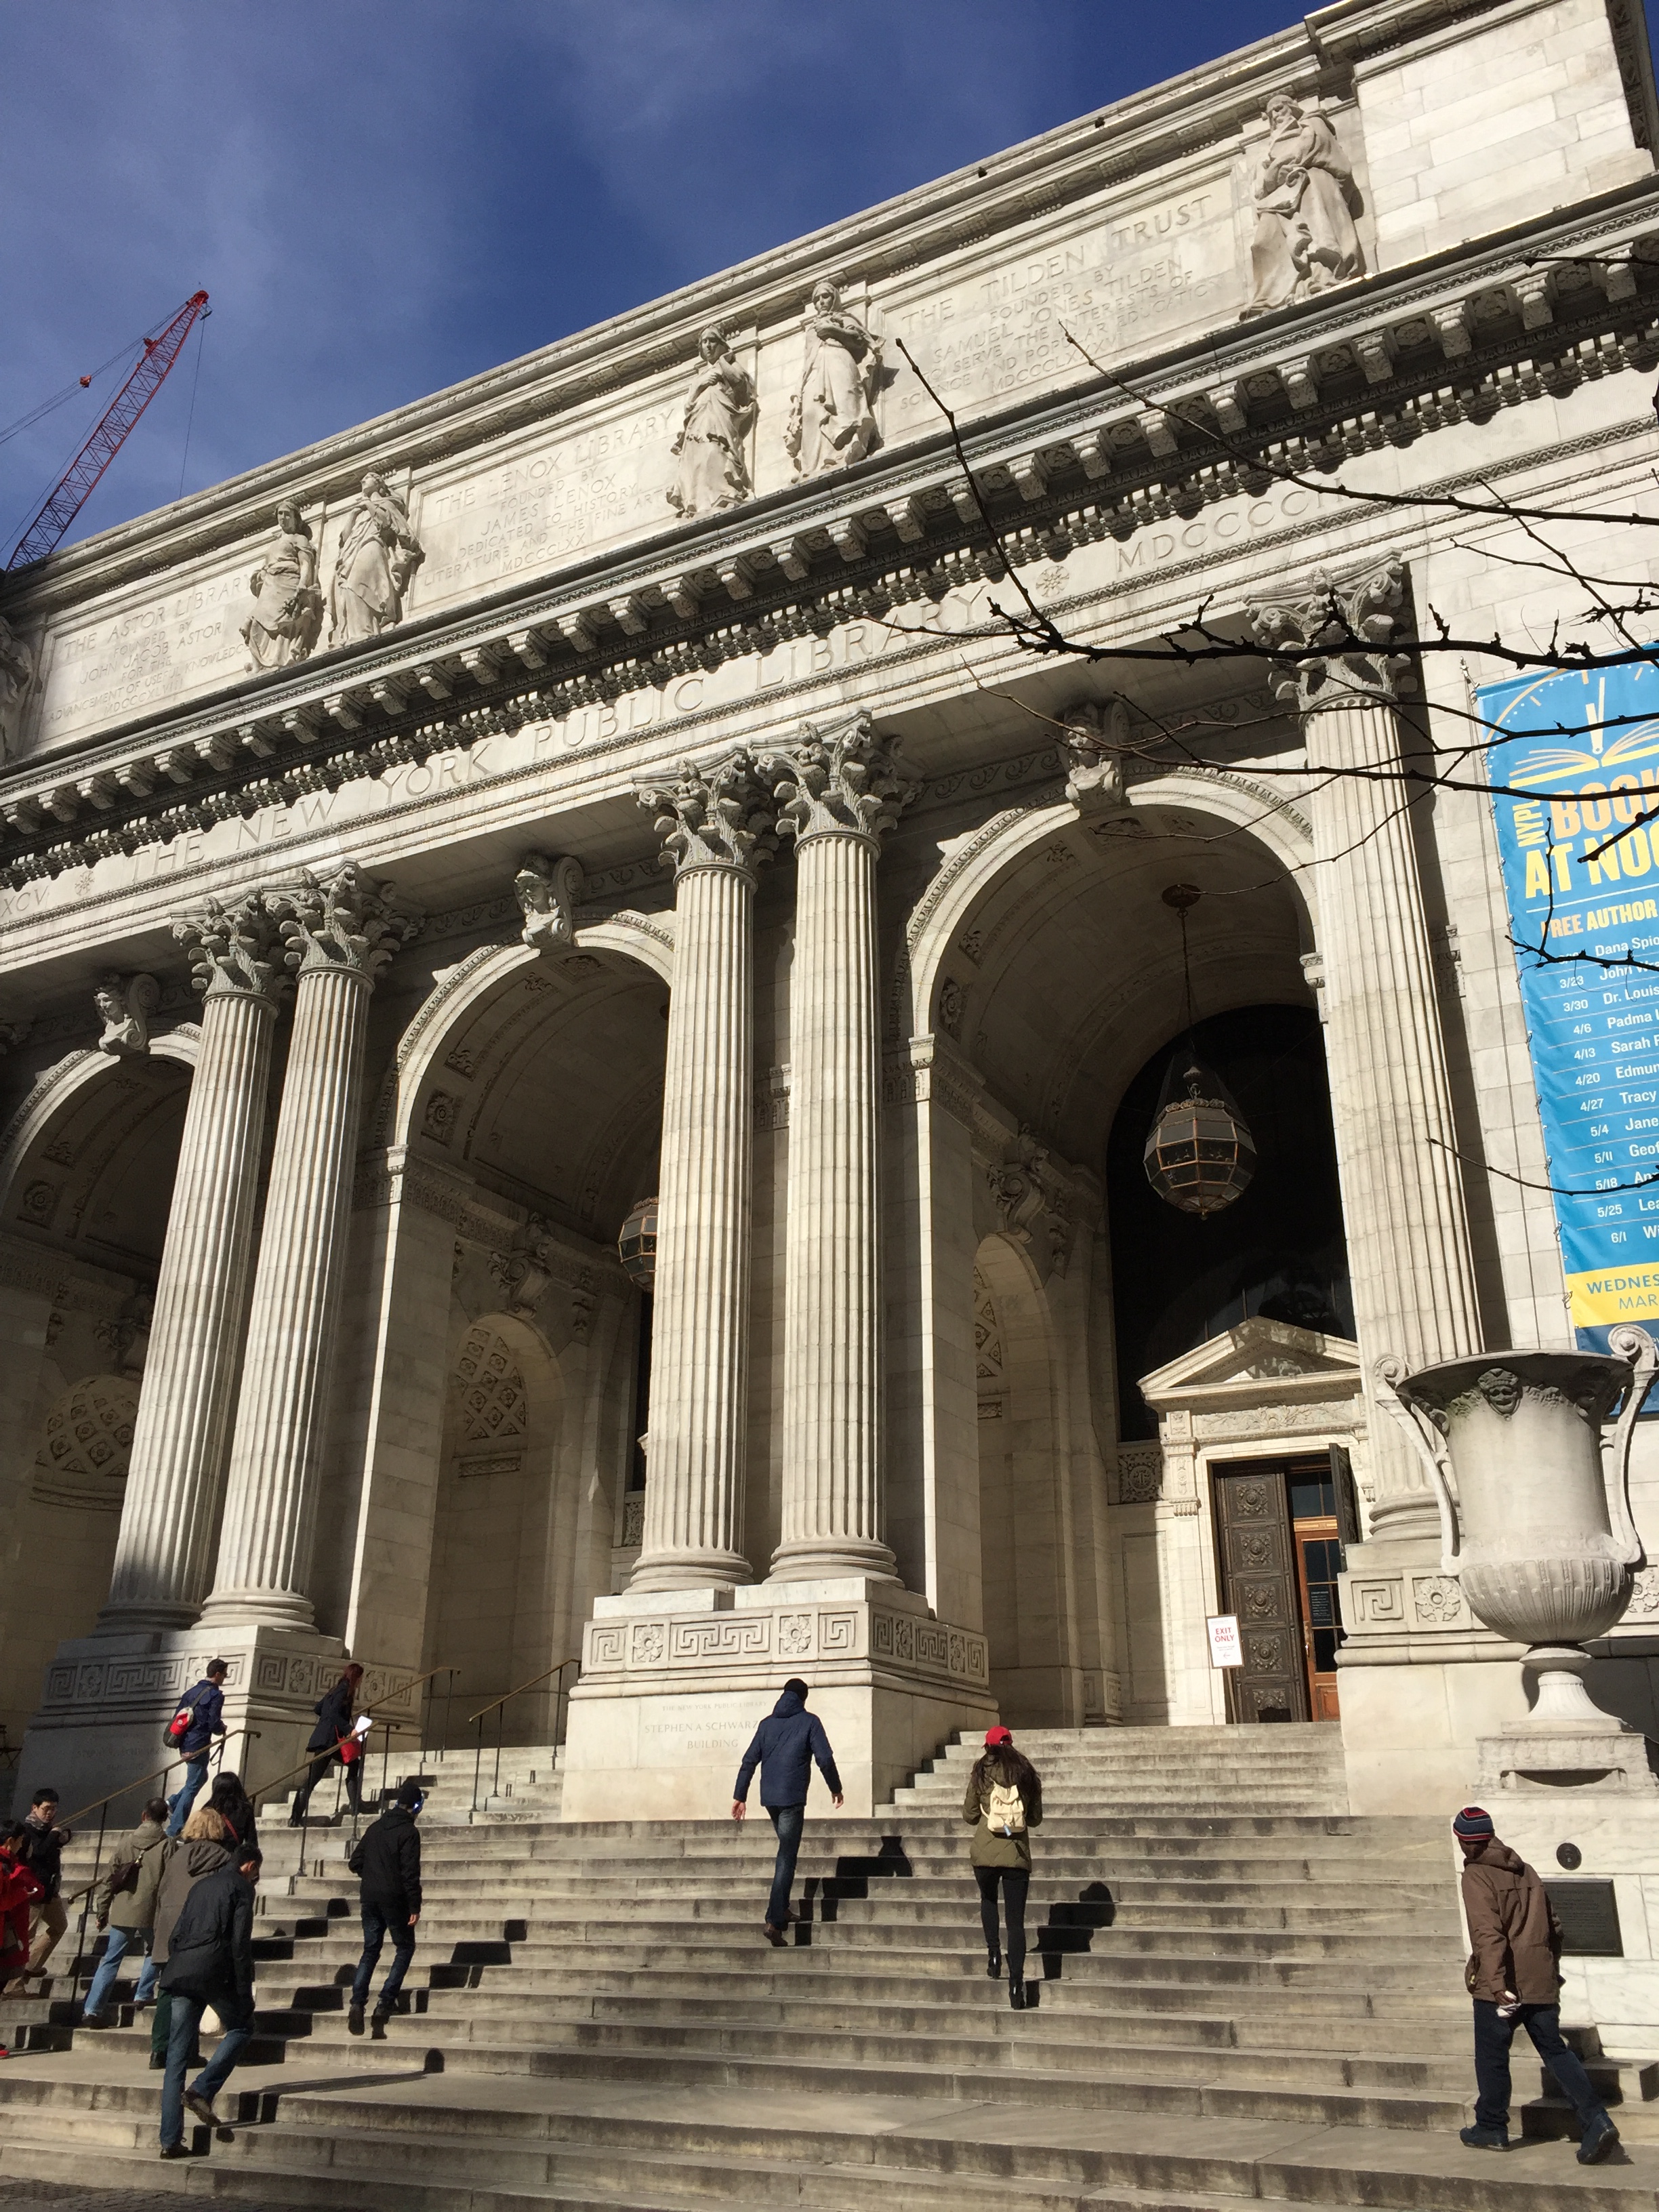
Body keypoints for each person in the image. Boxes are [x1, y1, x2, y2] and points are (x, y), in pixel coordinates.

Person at [1454, 1805, 1618, 2163]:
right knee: (1556, 2051)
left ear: (1464, 1841)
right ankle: (1596, 2120)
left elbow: (1488, 1935)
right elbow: (1555, 1926)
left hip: (1502, 1986)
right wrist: (1549, 1970)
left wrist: (1496, 1984)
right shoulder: (1525, 1869)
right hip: (1540, 1978)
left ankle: (1492, 2127)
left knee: (1492, 2057)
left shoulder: (1477, 1876)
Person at [157, 1840, 261, 2157]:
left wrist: (180, 1961)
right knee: (242, 2027)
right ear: (249, 1866)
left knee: (176, 2058)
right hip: (214, 1971)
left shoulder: (201, 1885)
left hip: (181, 1970)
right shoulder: (242, 1889)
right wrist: (243, 1991)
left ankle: (170, 2141)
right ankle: (202, 2088)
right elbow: (240, 1944)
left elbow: (176, 1934)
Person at [731, 1677, 844, 1946]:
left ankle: (781, 1909)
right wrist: (836, 1788)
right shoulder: (810, 1722)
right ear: (803, 1698)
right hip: (792, 1798)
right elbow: (825, 1758)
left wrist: (740, 1795)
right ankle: (774, 1921)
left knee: (786, 1850)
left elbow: (749, 1761)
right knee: (786, 1856)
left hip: (770, 1798)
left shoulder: (766, 1724)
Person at [962, 1725, 1044, 2010]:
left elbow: (969, 1815)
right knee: (1016, 1922)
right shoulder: (1027, 1773)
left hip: (984, 1854)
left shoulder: (980, 1772)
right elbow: (1035, 1819)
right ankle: (1016, 1985)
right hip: (1016, 1855)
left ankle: (994, 1956)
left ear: (988, 1747)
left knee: (988, 1900)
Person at [149, 1807, 230, 2076]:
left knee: (166, 1990)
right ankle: (188, 2050)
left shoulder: (177, 1856)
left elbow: (161, 1892)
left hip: (168, 1926)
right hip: (198, 1929)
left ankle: (159, 2049)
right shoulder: (223, 1857)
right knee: (195, 1992)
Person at [82, 1796, 169, 2027]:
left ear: (144, 1816)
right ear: (164, 1819)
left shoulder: (125, 1842)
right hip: (152, 1910)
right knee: (155, 1951)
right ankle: (143, 1992)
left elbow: (109, 1879)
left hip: (122, 1908)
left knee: (111, 1960)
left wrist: (102, 1910)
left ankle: (92, 2009)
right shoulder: (167, 1845)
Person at [346, 1779, 424, 2038]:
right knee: (405, 1947)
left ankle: (357, 2002)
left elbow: (355, 1862)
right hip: (395, 1898)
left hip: (369, 1897)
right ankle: (385, 2001)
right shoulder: (409, 1833)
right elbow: (410, 1873)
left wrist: (372, 1876)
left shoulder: (376, 1827)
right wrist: (414, 1905)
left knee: (371, 1949)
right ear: (415, 1807)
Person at [290, 1662, 365, 1824]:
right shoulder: (344, 1690)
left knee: (353, 1763)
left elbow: (318, 1708)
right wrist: (349, 1729)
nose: (360, 1682)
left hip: (324, 1739)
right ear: (356, 1677)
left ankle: (355, 1805)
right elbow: (333, 1714)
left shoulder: (334, 1690)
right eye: (360, 1678)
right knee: (312, 1780)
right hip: (329, 1741)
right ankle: (295, 1818)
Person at [165, 1660, 228, 1837]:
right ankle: (174, 1829)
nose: (225, 1678)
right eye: (224, 1674)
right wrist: (221, 1728)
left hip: (184, 1742)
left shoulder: (190, 1692)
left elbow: (178, 1716)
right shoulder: (215, 1695)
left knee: (200, 1778)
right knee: (193, 1785)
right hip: (199, 1744)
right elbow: (213, 1723)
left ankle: (172, 1802)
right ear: (217, 1674)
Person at [16, 1788, 72, 1982]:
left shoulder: (49, 1830)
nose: (50, 1813)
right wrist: (53, 1836)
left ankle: (32, 1965)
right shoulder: (27, 1830)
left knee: (60, 1925)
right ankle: (13, 1983)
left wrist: (61, 1838)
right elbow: (38, 1853)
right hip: (32, 1891)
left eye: (54, 1809)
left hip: (49, 1890)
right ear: (35, 1807)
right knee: (26, 1937)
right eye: (46, 1808)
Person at [0, 1824, 45, 1999]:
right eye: (21, 1841)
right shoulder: (5, 1866)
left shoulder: (10, 1863)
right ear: (11, 1841)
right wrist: (22, 1894)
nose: (23, 1845)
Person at [207, 1771, 259, 1860]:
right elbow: (251, 1840)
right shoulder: (245, 1809)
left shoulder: (208, 1809)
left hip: (211, 1857)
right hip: (233, 1858)